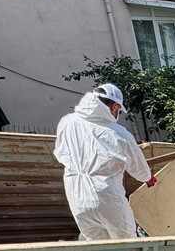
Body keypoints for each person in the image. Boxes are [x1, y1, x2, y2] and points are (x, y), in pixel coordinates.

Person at [54, 83, 156, 240]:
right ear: (114, 106)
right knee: (127, 245)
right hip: (106, 195)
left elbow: (61, 153)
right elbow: (140, 171)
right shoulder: (119, 134)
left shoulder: (67, 122)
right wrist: (149, 177)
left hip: (77, 195)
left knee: (97, 249)